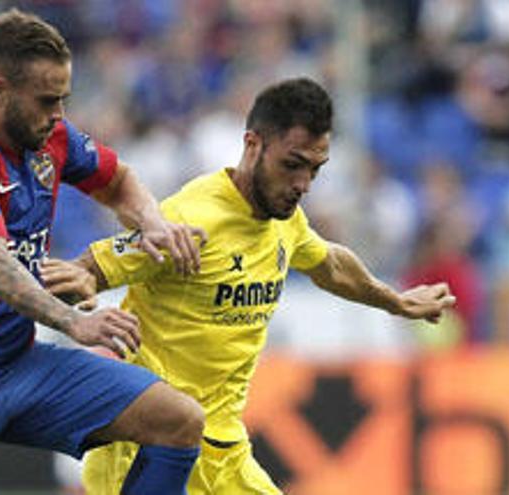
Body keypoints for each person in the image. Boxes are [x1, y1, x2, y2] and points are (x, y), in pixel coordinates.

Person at [41, 77, 457, 494]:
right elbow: (92, 267)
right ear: (253, 145)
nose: (303, 185)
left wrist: (396, 302)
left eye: (315, 169)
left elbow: (329, 262)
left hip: (224, 452)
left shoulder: (284, 219)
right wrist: (72, 282)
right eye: (292, 164)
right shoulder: (191, 217)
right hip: (148, 444)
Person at [0, 9, 209, 495]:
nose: (59, 115)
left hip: (20, 365)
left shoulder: (51, 138)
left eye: (64, 100)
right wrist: (73, 323)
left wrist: (152, 222)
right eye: (47, 101)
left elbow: (119, 181)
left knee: (178, 420)